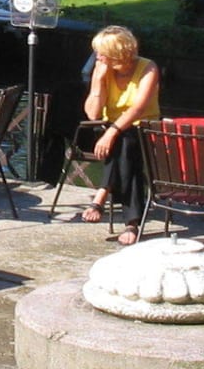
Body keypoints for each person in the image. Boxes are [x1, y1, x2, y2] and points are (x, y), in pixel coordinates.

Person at [80, 25, 160, 245]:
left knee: (126, 141)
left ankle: (102, 194)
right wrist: (97, 81)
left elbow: (138, 109)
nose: (98, 56)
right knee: (123, 145)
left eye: (103, 51)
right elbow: (93, 114)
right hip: (108, 129)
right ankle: (131, 221)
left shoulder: (147, 68)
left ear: (118, 52)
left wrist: (112, 133)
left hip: (143, 129)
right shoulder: (103, 68)